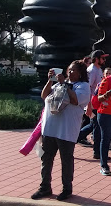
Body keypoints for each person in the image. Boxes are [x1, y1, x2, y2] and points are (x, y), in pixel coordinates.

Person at [31, 60, 90, 201]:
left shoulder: (83, 86)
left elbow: (75, 100)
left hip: (66, 131)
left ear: (80, 73)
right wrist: (50, 81)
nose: (69, 72)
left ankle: (66, 189)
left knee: (66, 160)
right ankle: (45, 187)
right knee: (46, 159)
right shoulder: (58, 84)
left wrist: (64, 84)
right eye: (68, 69)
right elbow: (44, 96)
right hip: (50, 129)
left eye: (73, 70)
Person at [77, 50, 109, 162]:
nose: (104, 60)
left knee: (95, 126)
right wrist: (89, 106)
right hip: (93, 104)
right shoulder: (92, 71)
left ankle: (75, 139)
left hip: (98, 103)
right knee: (96, 127)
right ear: (96, 59)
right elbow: (88, 88)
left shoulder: (98, 69)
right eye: (103, 58)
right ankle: (97, 152)